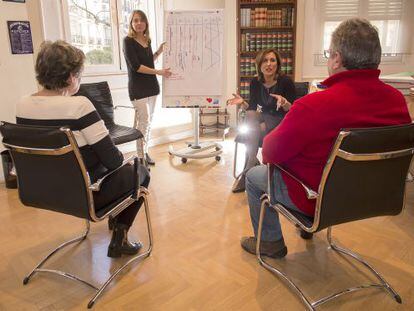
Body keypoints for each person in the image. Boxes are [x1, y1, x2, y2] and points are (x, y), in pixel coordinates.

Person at [241, 18, 412, 258]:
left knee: (254, 175)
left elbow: (269, 153)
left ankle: (270, 242)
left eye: (329, 54)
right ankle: (302, 229)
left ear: (337, 58)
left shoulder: (314, 105)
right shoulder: (397, 101)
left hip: (319, 201)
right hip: (376, 199)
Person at [16, 40, 151, 258]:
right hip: (83, 197)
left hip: (40, 192)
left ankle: (116, 219)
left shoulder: (22, 104)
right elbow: (113, 161)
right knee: (140, 171)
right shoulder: (79, 106)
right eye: (79, 75)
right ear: (70, 77)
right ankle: (120, 237)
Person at [227, 48, 296, 192]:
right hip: (261, 118)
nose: (269, 64)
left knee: (253, 130)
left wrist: (285, 103)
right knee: (251, 116)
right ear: (259, 65)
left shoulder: (285, 82)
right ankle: (252, 162)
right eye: (265, 60)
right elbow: (252, 108)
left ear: (277, 64)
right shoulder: (255, 83)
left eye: (272, 60)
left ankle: (248, 170)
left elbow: (293, 111)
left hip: (280, 119)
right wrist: (242, 103)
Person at [123, 10, 172, 166]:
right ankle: (140, 157)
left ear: (146, 23)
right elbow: (136, 66)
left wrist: (158, 51)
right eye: (135, 20)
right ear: (131, 23)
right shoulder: (128, 41)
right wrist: (159, 72)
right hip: (138, 88)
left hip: (151, 87)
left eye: (141, 20)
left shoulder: (147, 40)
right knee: (143, 122)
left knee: (149, 122)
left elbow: (148, 61)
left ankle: (144, 152)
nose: (138, 23)